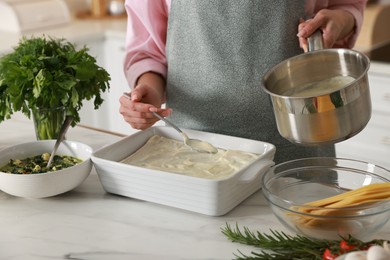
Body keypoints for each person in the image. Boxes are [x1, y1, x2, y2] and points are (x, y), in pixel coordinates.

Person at [119, 0, 367, 163]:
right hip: (190, 147)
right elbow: (148, 48)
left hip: (296, 143)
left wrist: (341, 20)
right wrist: (149, 90)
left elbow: (345, 5)